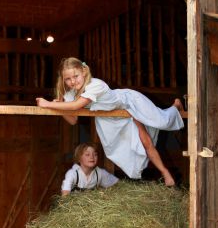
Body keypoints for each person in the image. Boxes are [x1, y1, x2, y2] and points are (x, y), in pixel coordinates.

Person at [36, 57, 187, 186]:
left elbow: (76, 106)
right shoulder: (71, 94)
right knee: (132, 144)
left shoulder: (95, 85)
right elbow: (73, 119)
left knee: (159, 125)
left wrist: (48, 104)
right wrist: (60, 108)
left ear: (83, 71)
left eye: (75, 76)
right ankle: (162, 172)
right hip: (112, 116)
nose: (72, 81)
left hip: (129, 104)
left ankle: (175, 106)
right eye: (67, 79)